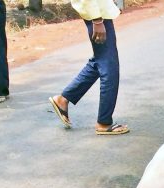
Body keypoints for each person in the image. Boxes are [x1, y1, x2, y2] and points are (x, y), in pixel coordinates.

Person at [48, 0, 128, 135]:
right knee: (109, 66)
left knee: (100, 61)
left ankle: (63, 99)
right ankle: (104, 122)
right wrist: (97, 21)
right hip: (96, 15)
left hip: (98, 12)